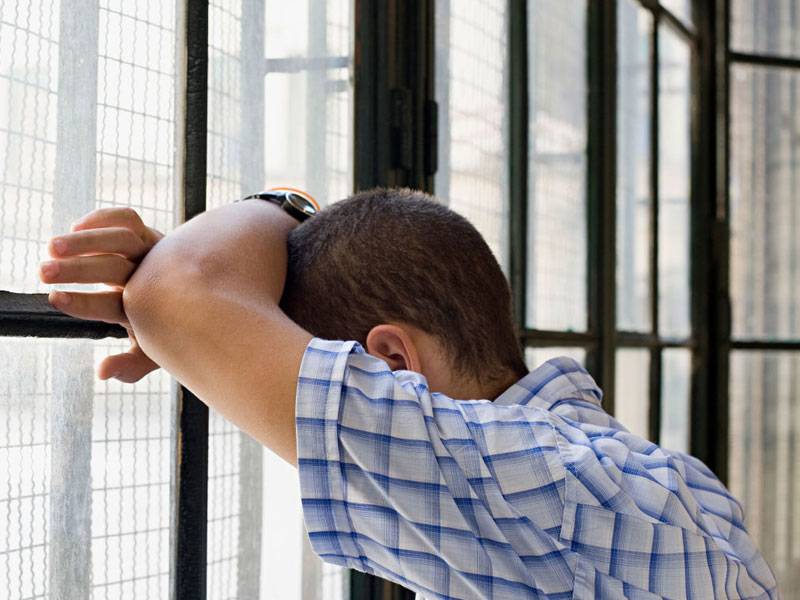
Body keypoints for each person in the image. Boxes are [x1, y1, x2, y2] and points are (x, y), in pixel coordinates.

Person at [39, 188, 778, 599]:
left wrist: (260, 229)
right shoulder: (640, 479)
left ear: (392, 360)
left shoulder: (525, 483)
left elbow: (181, 293)